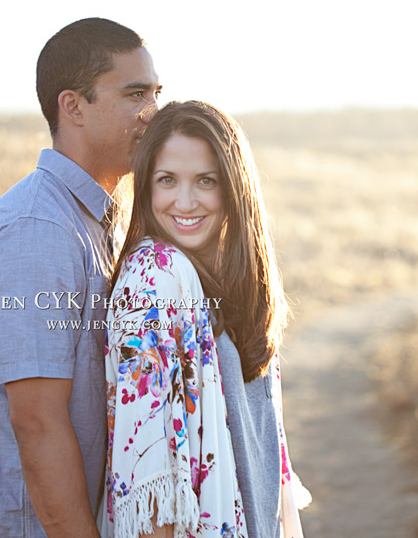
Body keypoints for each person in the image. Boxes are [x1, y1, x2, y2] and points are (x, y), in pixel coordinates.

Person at [0, 17, 162, 537]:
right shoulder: (36, 230)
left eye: (156, 92)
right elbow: (37, 422)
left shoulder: (92, 220)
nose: (153, 113)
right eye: (135, 95)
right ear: (74, 107)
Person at [100, 101, 308, 538]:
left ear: (233, 188)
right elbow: (149, 483)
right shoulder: (153, 277)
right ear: (146, 188)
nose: (185, 201)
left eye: (205, 181)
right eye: (167, 180)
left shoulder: (223, 281)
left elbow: (267, 451)